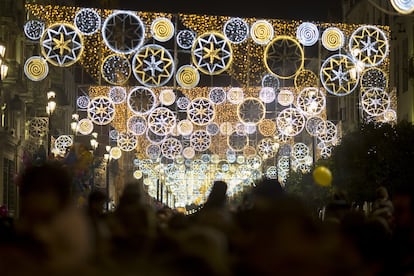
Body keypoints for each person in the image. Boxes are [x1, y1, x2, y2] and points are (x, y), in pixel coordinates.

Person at [0, 161, 95, 275]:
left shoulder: (70, 222)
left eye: (42, 192)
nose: (35, 199)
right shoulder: (29, 220)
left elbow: (76, 257)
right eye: (29, 193)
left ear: (59, 195)